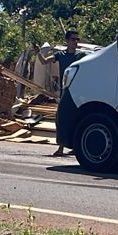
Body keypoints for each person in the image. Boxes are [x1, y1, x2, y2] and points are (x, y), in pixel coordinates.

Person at [42, 30, 84, 158]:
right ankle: (61, 147)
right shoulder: (60, 55)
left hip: (79, 92)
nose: (75, 42)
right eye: (73, 39)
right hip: (65, 91)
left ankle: (74, 147)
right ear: (67, 41)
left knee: (78, 119)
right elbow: (44, 61)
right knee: (62, 119)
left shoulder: (81, 55)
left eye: (77, 39)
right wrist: (39, 52)